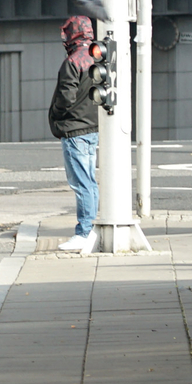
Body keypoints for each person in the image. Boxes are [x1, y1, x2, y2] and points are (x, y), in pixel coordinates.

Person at [50, 15, 113, 254]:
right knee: (90, 182)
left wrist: (56, 114)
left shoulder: (72, 62)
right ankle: (88, 228)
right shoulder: (98, 55)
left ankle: (84, 232)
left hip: (74, 130)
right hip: (93, 127)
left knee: (81, 183)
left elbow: (65, 98)